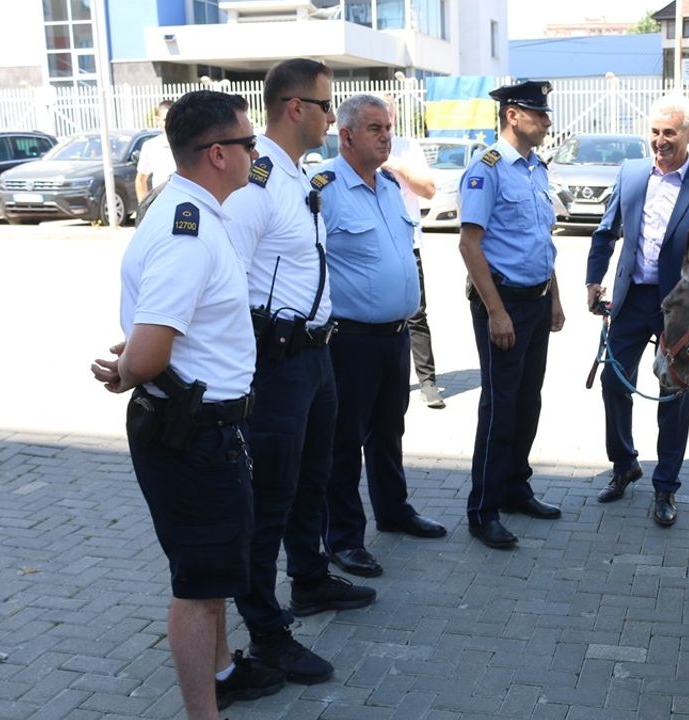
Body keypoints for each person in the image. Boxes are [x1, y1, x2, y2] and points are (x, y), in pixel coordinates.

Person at [90, 89, 285, 718]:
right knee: (198, 590)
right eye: (251, 144)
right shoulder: (189, 232)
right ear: (220, 153)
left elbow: (168, 327)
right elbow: (148, 354)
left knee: (212, 574)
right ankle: (204, 709)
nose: (259, 153)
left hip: (203, 429)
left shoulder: (190, 211)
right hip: (193, 435)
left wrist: (137, 360)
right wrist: (130, 368)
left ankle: (224, 670)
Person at [222, 58, 373, 687]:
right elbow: (227, 276)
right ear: (294, 108)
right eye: (324, 105)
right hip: (278, 363)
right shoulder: (258, 183)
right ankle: (265, 629)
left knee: (315, 477)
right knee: (271, 497)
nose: (330, 115)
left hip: (317, 354)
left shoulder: (296, 175)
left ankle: (308, 578)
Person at [314, 94, 448, 579]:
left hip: (394, 336)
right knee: (344, 442)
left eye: (387, 127)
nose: (386, 136)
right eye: (374, 128)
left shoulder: (390, 186)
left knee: (389, 430)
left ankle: (393, 511)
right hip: (348, 339)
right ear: (345, 136)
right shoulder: (323, 188)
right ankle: (344, 539)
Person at [585, 94, 689, 527]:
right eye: (654, 132)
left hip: (679, 311)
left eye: (669, 133)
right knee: (614, 381)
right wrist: (594, 280)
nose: (660, 141)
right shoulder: (631, 174)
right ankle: (624, 463)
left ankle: (666, 487)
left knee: (673, 394)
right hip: (632, 300)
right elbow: (605, 231)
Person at [458, 79, 565, 549]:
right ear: (512, 116)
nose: (545, 121)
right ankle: (483, 509)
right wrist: (496, 312)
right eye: (537, 113)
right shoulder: (488, 170)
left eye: (545, 113)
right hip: (503, 304)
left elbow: (543, 239)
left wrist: (555, 296)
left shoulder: (536, 169)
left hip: (537, 300)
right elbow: (469, 244)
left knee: (528, 401)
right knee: (500, 406)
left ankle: (515, 488)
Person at [382, 94, 445, 409]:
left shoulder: (407, 149)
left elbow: (428, 191)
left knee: (416, 314)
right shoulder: (353, 149)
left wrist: (395, 165)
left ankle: (428, 381)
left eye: (388, 118)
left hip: (408, 244)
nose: (384, 127)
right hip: (370, 248)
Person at [134, 100, 177, 201]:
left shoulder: (190, 145)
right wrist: (144, 210)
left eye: (173, 119)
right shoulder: (151, 146)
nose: (170, 123)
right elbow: (140, 181)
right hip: (161, 204)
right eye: (165, 119)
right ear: (157, 120)